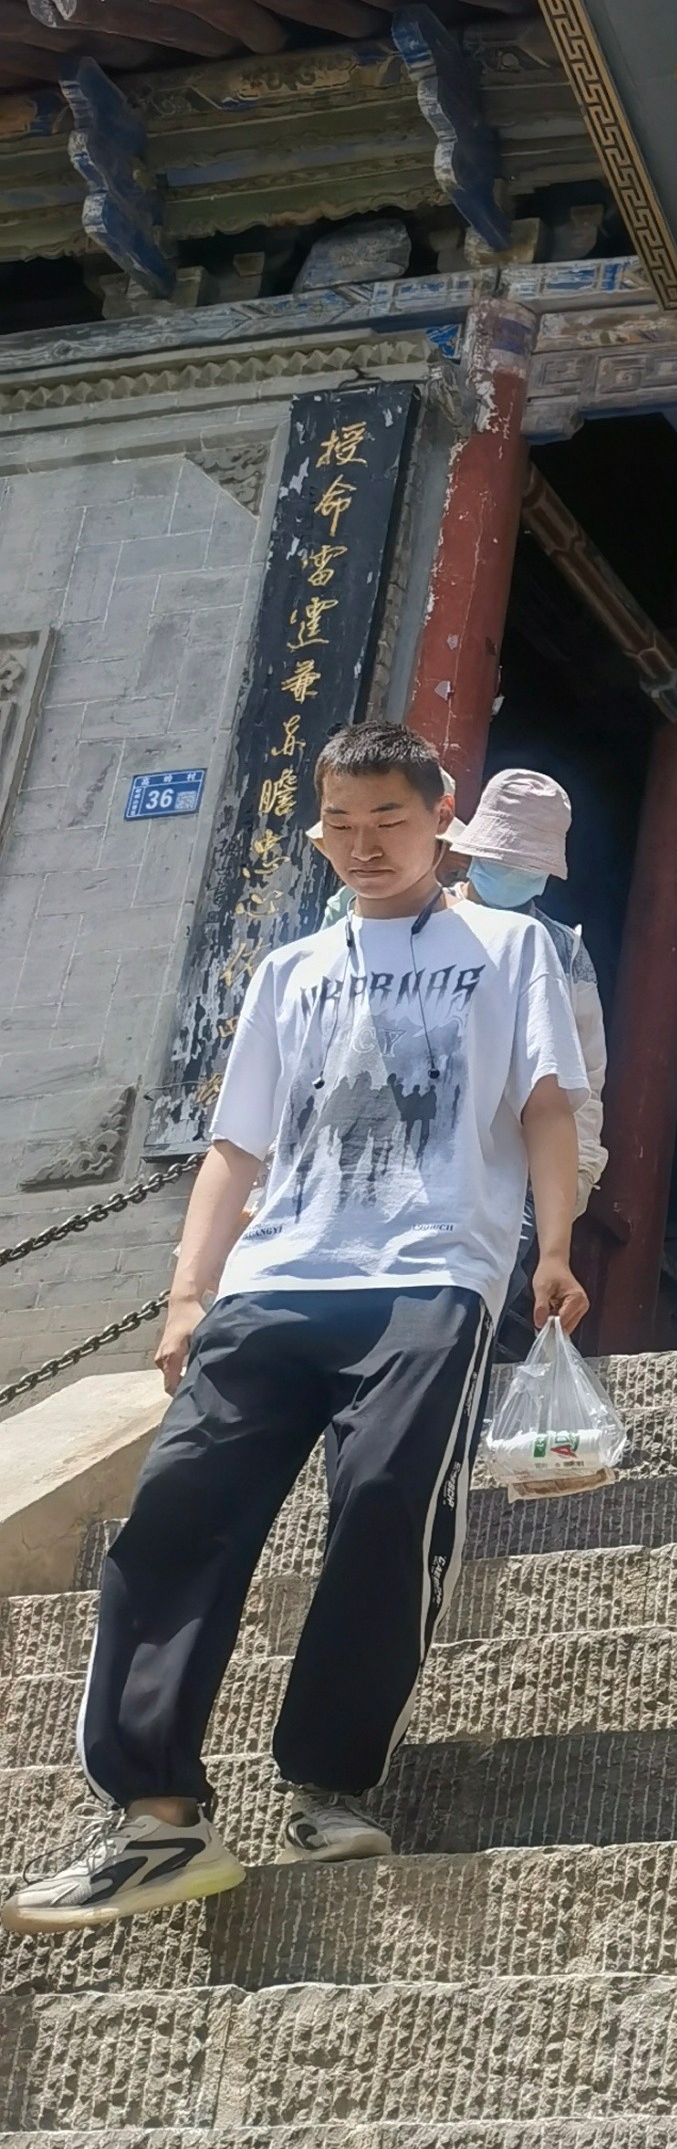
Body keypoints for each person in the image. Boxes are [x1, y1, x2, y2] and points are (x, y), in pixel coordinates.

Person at [2, 722, 588, 1933]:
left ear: (442, 819)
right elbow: (237, 1145)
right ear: (319, 829)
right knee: (175, 1520)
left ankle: (328, 1777)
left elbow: (544, 1104)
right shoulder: (291, 971)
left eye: (392, 820)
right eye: (344, 824)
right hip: (275, 1283)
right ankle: (154, 1818)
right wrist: (187, 1292)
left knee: (383, 1512)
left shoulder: (509, 945)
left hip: (434, 1276)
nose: (366, 844)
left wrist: (557, 1249)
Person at [442, 766, 608, 1310]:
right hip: (425, 1156)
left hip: (514, 1173)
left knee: (466, 1310)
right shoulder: (425, 921)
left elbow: (583, 1076)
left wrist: (574, 1177)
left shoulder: (562, 952)